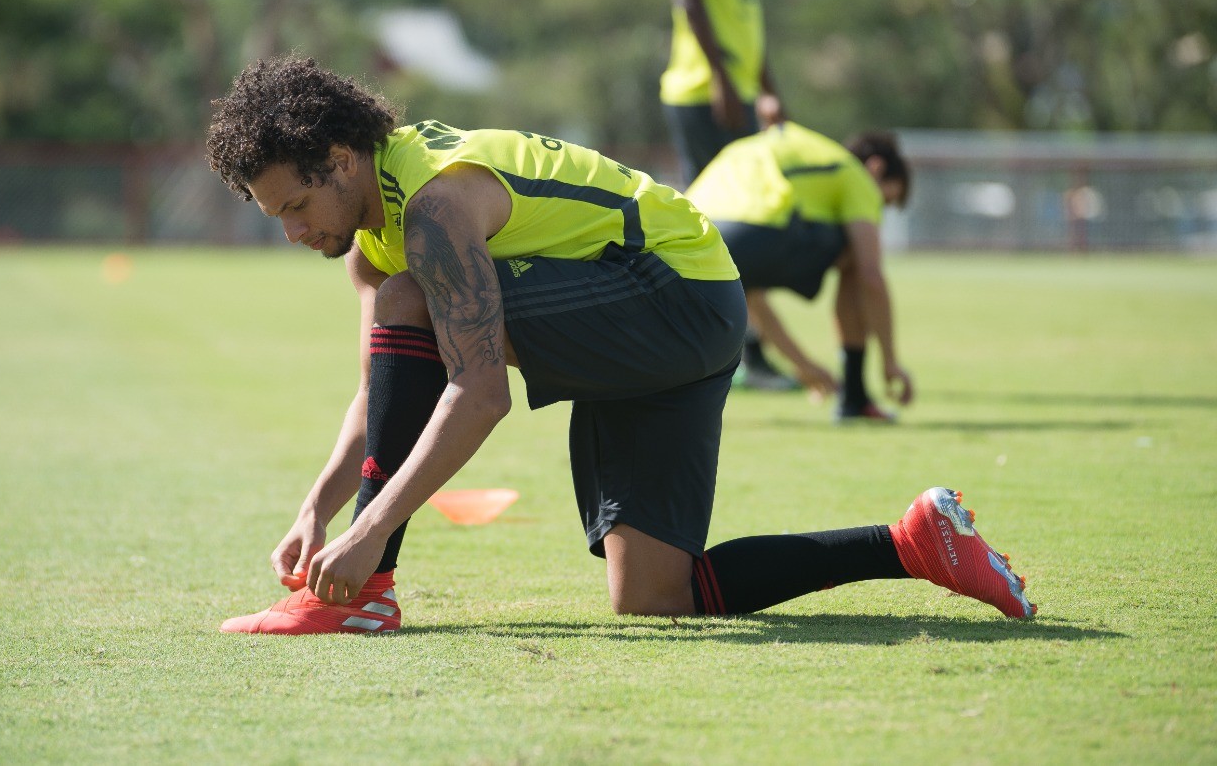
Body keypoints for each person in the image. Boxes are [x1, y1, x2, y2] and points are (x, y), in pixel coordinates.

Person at [205, 56, 1034, 635]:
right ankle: (915, 541)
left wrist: (369, 534)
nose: (293, 232)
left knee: (408, 296)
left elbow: (478, 390)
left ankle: (366, 594)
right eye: (277, 217)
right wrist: (317, 509)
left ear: (341, 160)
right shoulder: (372, 239)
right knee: (654, 593)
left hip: (675, 291)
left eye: (296, 206)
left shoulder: (432, 207)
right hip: (664, 318)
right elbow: (381, 391)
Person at [688, 122, 916, 421]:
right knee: (855, 256)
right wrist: (890, 361)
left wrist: (804, 366)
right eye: (884, 201)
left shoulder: (783, 155)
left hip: (691, 236)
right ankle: (855, 399)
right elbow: (871, 276)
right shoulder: (853, 173)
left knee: (737, 286)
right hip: (758, 230)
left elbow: (750, 295)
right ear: (875, 168)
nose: (877, 213)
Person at [660, 0, 785, 188]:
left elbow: (745, 19)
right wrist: (720, 78)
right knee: (715, 203)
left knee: (747, 197)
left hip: (740, 88)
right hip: (707, 91)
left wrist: (767, 89)